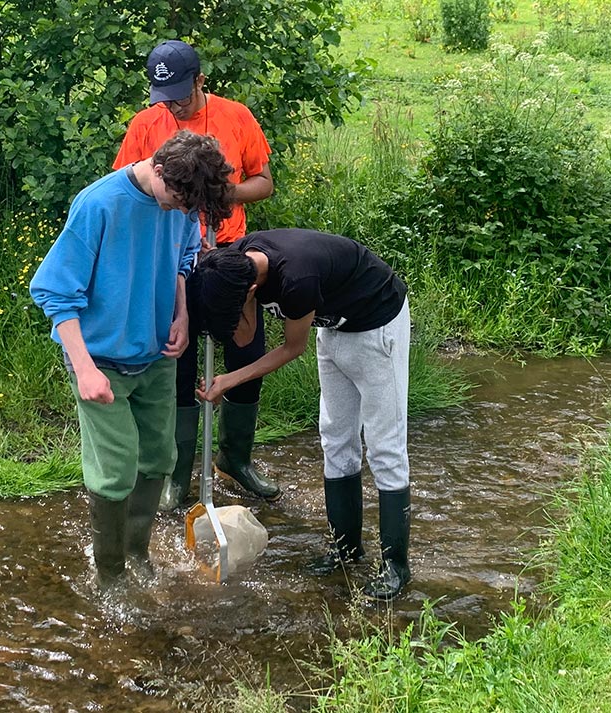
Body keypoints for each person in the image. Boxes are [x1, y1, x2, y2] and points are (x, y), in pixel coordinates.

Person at [29, 130, 235, 591]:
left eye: (191, 209)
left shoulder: (183, 201)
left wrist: (181, 314)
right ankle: (110, 574)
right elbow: (54, 291)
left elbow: (184, 258)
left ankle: (137, 554)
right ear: (158, 170)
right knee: (117, 466)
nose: (184, 214)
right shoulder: (99, 204)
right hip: (100, 359)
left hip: (158, 354)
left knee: (161, 456)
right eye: (180, 202)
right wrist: (84, 369)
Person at [189, 229, 413, 601]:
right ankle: (346, 549)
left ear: (248, 289)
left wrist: (228, 381)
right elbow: (243, 337)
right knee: (336, 438)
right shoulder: (238, 261)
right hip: (335, 329)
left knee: (384, 446)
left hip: (377, 326)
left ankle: (396, 567)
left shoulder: (297, 278)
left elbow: (293, 347)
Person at [114, 39, 279, 508]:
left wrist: (220, 196)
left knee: (247, 354)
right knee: (179, 361)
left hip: (231, 257)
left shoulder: (236, 116)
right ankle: (177, 475)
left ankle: (235, 459)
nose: (174, 105)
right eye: (165, 96)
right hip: (172, 259)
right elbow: (127, 188)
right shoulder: (145, 125)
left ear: (201, 81)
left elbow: (264, 183)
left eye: (182, 95)